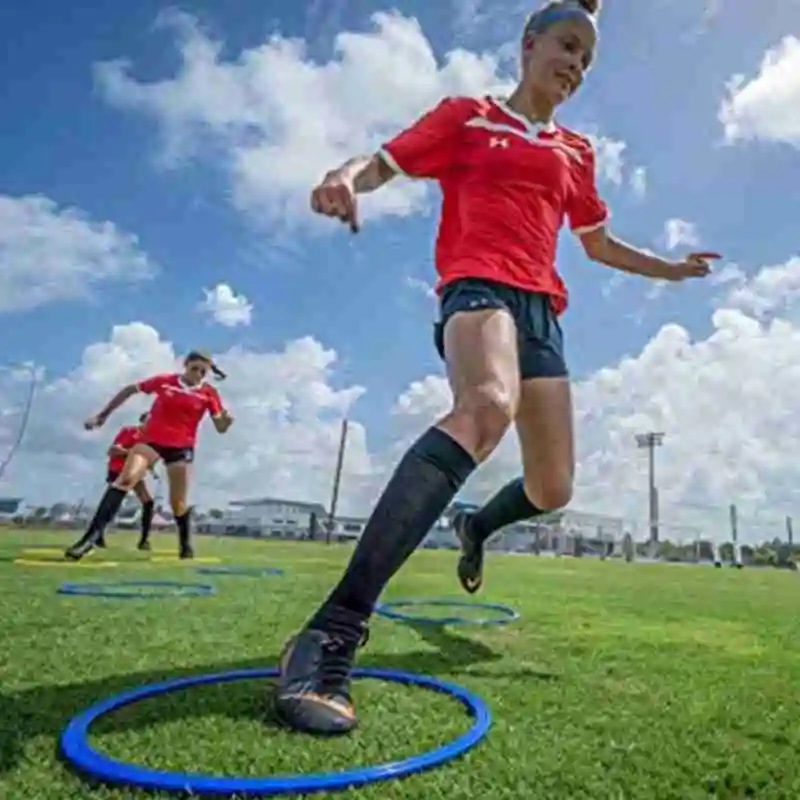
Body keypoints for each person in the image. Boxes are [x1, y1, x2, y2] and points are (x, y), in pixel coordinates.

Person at [272, 0, 719, 736]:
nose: (576, 65)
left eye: (587, 58)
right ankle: (332, 631)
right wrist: (343, 176)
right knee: (486, 405)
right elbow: (383, 162)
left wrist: (671, 269)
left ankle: (477, 525)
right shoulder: (468, 117)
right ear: (529, 44)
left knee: (553, 487)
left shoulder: (576, 151)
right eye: (567, 46)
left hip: (542, 311)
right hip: (477, 286)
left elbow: (599, 244)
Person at [65, 351, 234, 561]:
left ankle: (185, 544)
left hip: (181, 447)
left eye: (203, 372)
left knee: (178, 503)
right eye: (194, 368)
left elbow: (220, 427)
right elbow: (129, 390)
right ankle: (90, 539)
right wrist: (102, 416)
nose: (197, 374)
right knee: (125, 480)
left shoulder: (209, 393)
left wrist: (226, 422)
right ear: (185, 365)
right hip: (151, 441)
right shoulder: (165, 382)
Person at [93, 412, 158, 551]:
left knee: (148, 502)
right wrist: (133, 454)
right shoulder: (130, 432)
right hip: (118, 471)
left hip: (135, 473)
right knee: (112, 504)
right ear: (142, 421)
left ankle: (144, 540)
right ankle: (97, 535)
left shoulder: (150, 440)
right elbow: (113, 450)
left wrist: (150, 466)